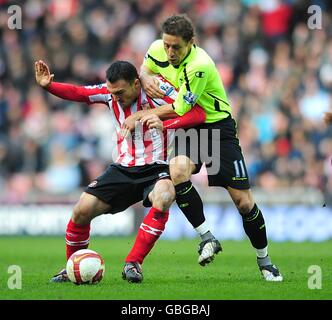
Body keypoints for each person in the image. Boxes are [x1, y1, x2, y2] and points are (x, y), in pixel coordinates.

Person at [122, 14, 283, 281]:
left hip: (217, 128)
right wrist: (145, 74)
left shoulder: (200, 65)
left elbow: (180, 109)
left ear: (191, 43)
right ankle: (207, 237)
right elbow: (146, 68)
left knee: (243, 203)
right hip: (189, 129)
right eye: (167, 45)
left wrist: (141, 116)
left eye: (177, 47)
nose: (170, 52)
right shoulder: (155, 49)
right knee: (178, 170)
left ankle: (265, 261)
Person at [34, 59, 207, 283]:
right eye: (113, 92)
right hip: (123, 169)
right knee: (81, 211)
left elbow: (198, 114)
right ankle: (72, 268)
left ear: (137, 84)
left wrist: (165, 123)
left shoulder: (159, 91)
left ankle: (133, 263)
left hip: (157, 168)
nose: (116, 98)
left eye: (121, 92)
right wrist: (48, 85)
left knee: (165, 195)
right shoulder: (109, 94)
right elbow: (79, 92)